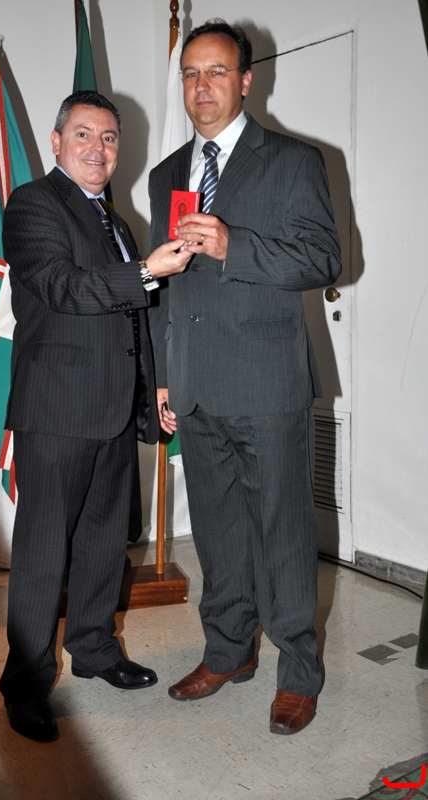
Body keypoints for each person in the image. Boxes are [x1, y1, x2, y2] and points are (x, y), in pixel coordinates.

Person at [148, 20, 342, 734]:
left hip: (266, 384)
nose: (202, 86)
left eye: (217, 72)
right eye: (191, 74)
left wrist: (236, 245)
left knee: (284, 533)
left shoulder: (292, 160)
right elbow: (163, 284)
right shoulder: (166, 173)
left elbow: (324, 259)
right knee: (218, 532)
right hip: (196, 386)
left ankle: (299, 673)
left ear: (246, 80)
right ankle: (229, 652)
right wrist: (164, 375)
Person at [0, 91, 190, 741]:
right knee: (43, 552)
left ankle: (94, 649)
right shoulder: (33, 204)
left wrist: (156, 386)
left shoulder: (117, 222)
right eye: (83, 134)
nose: (97, 148)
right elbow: (61, 287)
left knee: (105, 542)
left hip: (114, 407)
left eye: (108, 138)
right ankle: (25, 684)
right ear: (56, 142)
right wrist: (145, 270)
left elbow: (135, 316)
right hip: (56, 409)